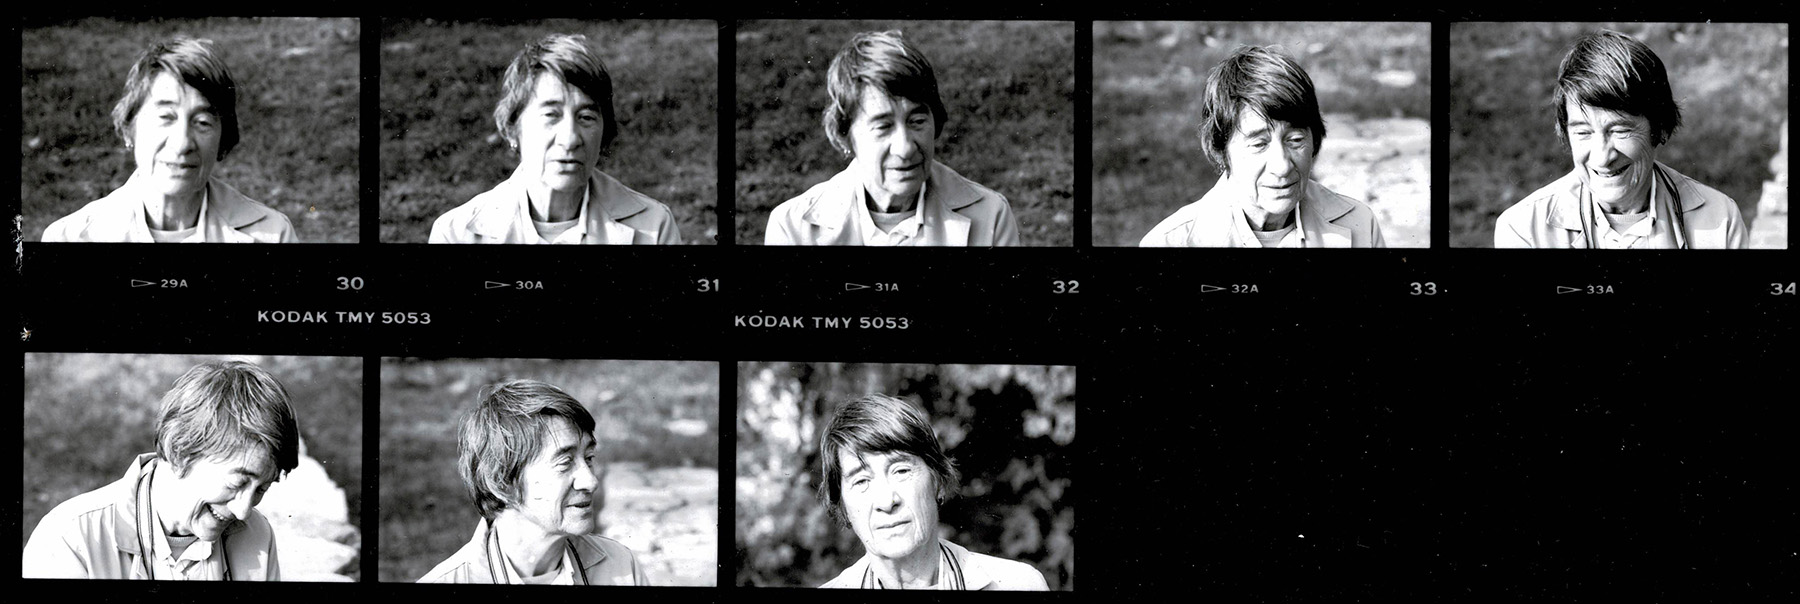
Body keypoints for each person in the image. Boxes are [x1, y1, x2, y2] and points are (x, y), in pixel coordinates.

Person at [23, 361, 301, 580]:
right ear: (180, 451)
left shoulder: (256, 534)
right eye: (238, 482)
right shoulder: (72, 537)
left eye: (262, 488)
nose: (243, 511)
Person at [1495, 30, 1748, 249]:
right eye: (1583, 132)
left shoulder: (1719, 219)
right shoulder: (1524, 228)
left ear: (1658, 128)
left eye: (1620, 131)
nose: (1602, 157)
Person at [765, 30, 1020, 246]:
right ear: (845, 135)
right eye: (883, 127)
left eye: (917, 121)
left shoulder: (990, 215)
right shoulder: (794, 227)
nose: (905, 148)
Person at [430, 34, 682, 244]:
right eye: (551, 115)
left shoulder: (653, 227)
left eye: (586, 117)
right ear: (512, 128)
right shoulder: (456, 234)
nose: (570, 139)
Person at [41, 38, 297, 243]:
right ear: (130, 129)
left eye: (202, 123)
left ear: (223, 139)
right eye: (166, 117)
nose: (182, 143)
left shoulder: (273, 236)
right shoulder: (70, 238)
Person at [1141, 46, 1385, 248]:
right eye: (1259, 144)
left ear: (1315, 141)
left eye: (1295, 140)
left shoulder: (1360, 225)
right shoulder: (1170, 243)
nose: (1282, 167)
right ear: (1221, 149)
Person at [420, 380, 650, 585]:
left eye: (589, 458)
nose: (590, 481)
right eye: (565, 462)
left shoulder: (621, 568)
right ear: (501, 482)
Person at [817, 394, 1047, 590]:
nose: (886, 501)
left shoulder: (1018, 585)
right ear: (842, 507)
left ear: (937, 480)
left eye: (901, 470)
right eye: (861, 481)